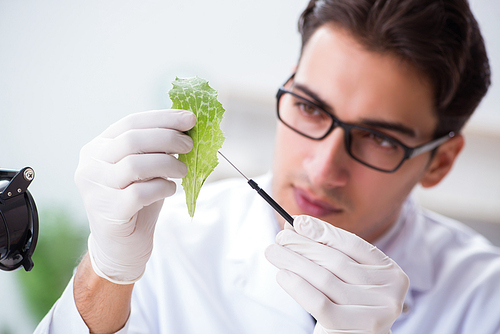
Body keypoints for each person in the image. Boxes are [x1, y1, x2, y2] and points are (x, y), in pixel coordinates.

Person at [35, 0, 500, 333]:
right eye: (311, 109)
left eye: (379, 138)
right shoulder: (169, 241)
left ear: (440, 161)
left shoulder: (484, 301)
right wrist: (108, 271)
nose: (322, 169)